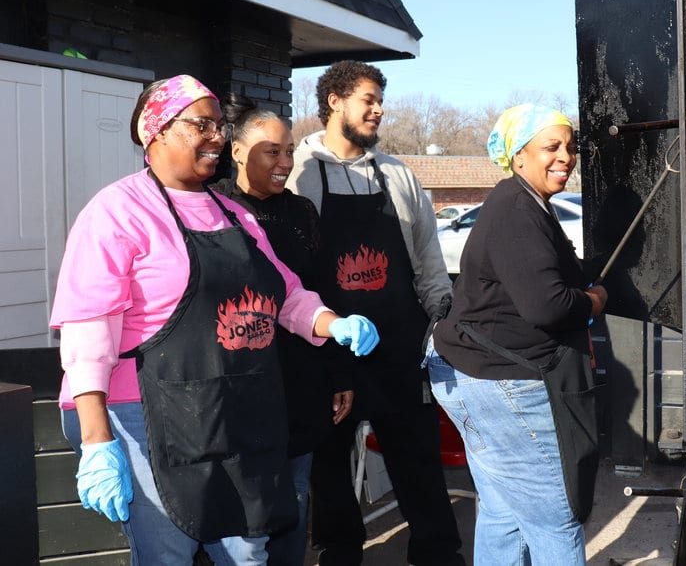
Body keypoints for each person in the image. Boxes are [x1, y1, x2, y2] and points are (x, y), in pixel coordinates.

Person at [51, 75, 380, 566]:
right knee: (171, 551)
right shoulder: (116, 212)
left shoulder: (233, 213)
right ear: (154, 131)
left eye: (219, 126)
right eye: (200, 125)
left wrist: (332, 322)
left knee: (247, 548)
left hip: (232, 409)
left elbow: (285, 293)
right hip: (142, 411)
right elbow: (88, 334)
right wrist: (98, 440)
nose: (217, 137)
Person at [286, 60, 465, 566]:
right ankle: (339, 555)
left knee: (419, 461)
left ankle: (437, 553)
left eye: (379, 100)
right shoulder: (299, 172)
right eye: (368, 99)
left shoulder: (398, 175)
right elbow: (291, 274)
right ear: (335, 102)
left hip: (398, 349)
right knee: (330, 468)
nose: (378, 109)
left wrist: (442, 321)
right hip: (327, 348)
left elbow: (429, 260)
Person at [426, 104, 609, 565]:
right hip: (502, 380)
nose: (565, 156)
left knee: (505, 512)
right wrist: (595, 301)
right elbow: (548, 306)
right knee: (556, 518)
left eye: (570, 147)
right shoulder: (516, 208)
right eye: (551, 146)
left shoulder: (526, 204)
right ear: (518, 155)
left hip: (472, 373)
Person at [212, 93, 356, 566]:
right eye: (272, 151)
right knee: (242, 517)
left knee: (292, 505)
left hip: (301, 382)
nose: (285, 161)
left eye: (290, 150)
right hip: (240, 387)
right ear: (237, 152)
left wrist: (339, 374)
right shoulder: (214, 212)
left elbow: (319, 292)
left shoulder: (300, 214)